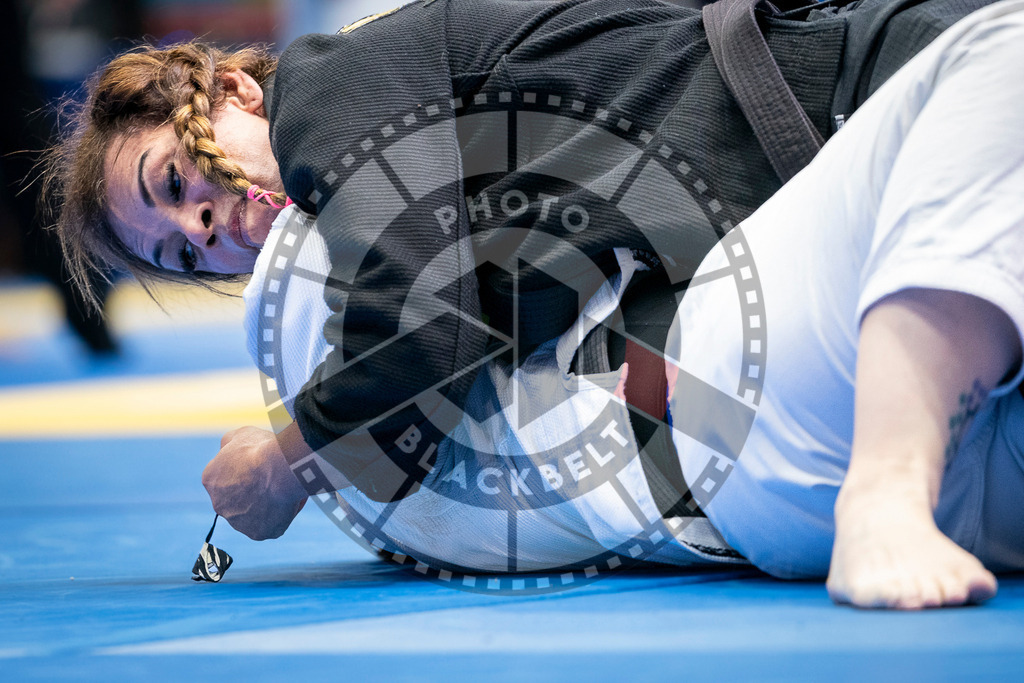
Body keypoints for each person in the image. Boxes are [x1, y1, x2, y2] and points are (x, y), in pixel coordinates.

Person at [42, 0, 1022, 608]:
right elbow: (477, 322)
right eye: (183, 250)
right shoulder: (386, 214)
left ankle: (886, 482)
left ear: (233, 93)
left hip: (844, 103)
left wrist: (286, 457)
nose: (207, 225)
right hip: (792, 243)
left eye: (177, 182)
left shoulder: (329, 89)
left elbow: (426, 325)